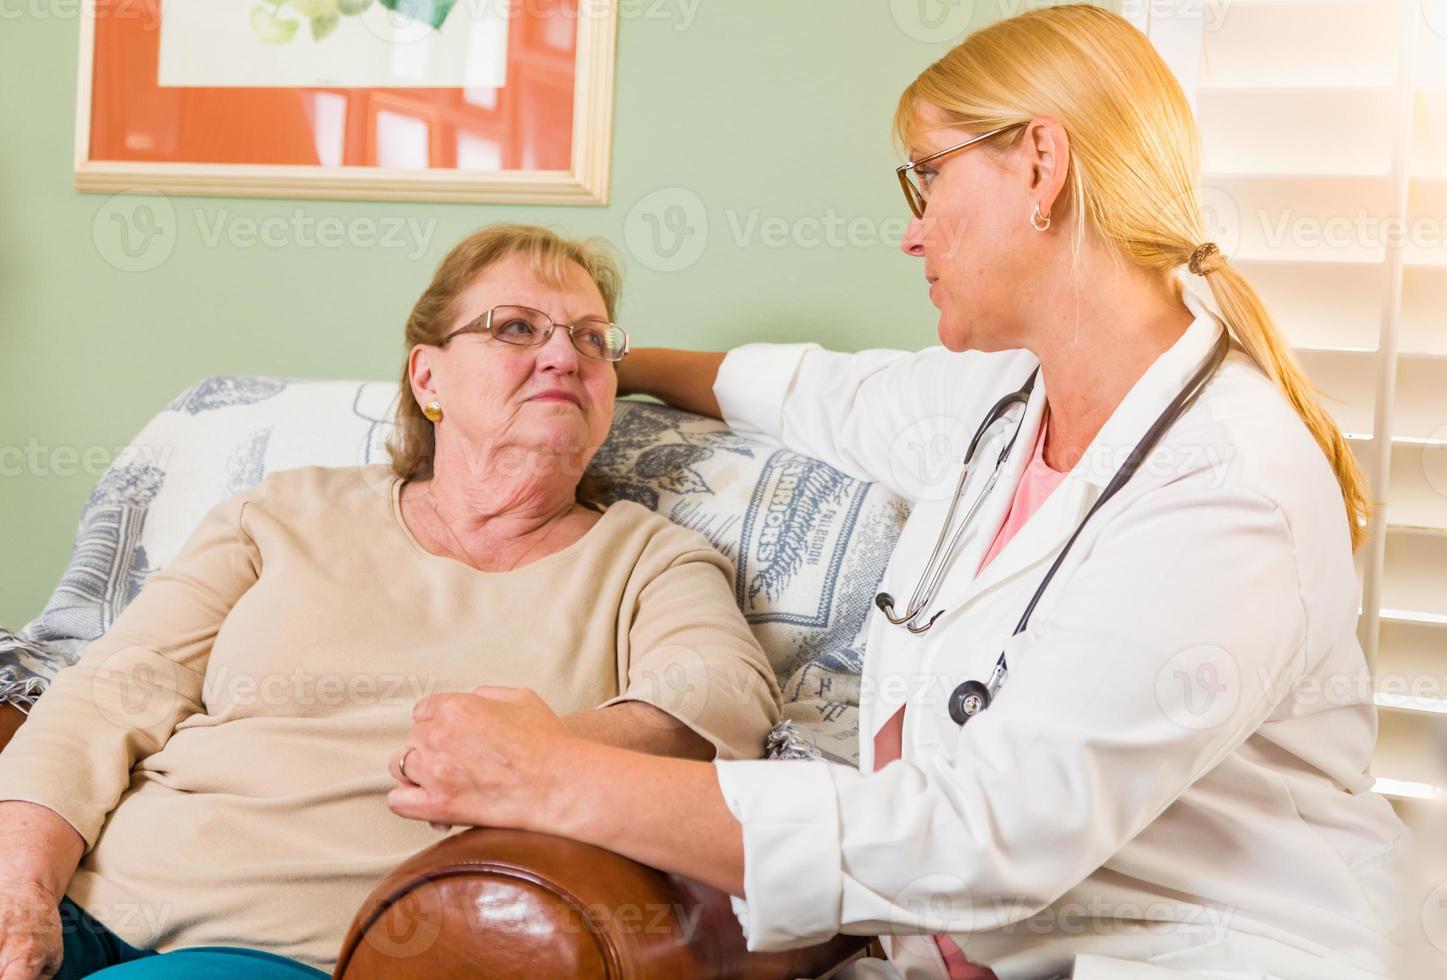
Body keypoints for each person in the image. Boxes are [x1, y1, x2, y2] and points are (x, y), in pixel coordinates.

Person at [381, 9, 1409, 979]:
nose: (911, 234)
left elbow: (980, 836)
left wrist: (551, 775)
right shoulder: (1007, 397)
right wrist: (598, 360)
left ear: (1039, 167)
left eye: (926, 179)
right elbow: (812, 391)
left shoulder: (1223, 491)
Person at [0, 224, 781, 979]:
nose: (560, 356)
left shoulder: (649, 559)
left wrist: (541, 752)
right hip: (84, 896)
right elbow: (105, 697)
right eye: (515, 328)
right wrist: (23, 888)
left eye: (589, 339)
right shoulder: (280, 513)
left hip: (281, 947)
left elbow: (722, 706)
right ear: (427, 377)